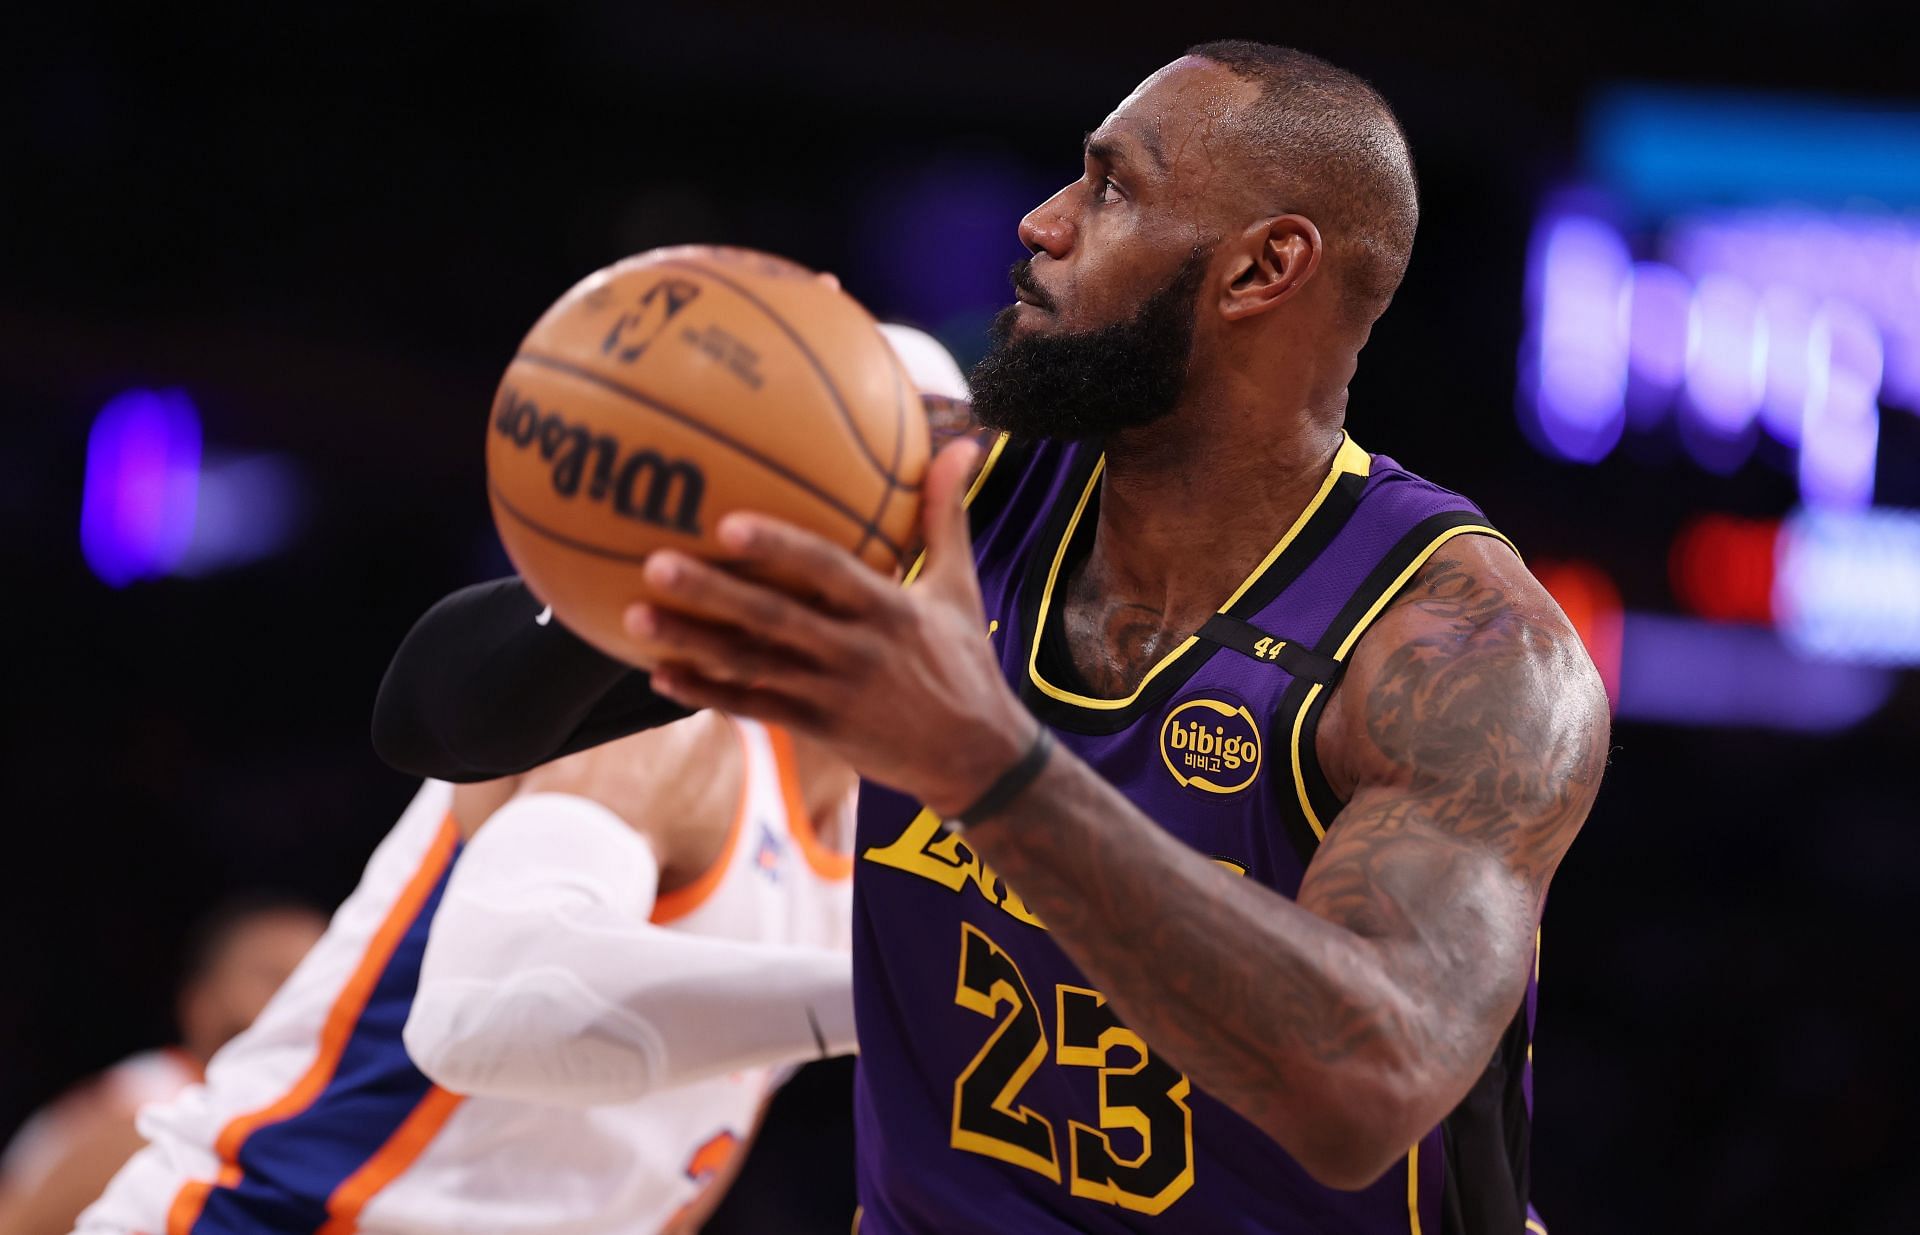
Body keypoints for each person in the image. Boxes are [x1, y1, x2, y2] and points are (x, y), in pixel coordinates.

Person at [373, 41, 1610, 1234]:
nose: (1043, 218)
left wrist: (989, 769)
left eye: (1113, 186)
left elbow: (1367, 1087)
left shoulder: (1465, 651)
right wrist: (666, 531)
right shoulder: (932, 492)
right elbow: (439, 714)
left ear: (1260, 271)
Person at [73, 714, 856, 1235]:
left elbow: (658, 1172)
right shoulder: (661, 718)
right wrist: (876, 998)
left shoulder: (879, 854)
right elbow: (489, 1015)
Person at [0, 900, 324, 1235]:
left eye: (314, 981)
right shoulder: (149, 1098)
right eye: (274, 978)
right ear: (199, 1003)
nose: (296, 1001)